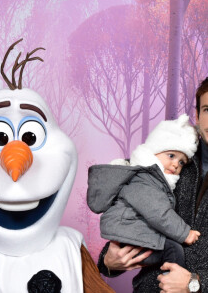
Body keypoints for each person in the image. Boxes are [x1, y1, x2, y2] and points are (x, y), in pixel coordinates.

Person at [95, 78, 208, 293]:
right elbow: (129, 206)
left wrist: (195, 283)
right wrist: (108, 260)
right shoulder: (172, 156)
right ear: (197, 115)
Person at [88, 114, 199, 270]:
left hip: (131, 233)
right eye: (171, 156)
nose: (175, 165)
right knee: (173, 250)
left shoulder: (150, 179)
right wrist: (185, 233)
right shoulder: (144, 179)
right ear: (153, 152)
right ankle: (172, 285)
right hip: (130, 235)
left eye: (181, 162)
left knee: (170, 250)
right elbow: (158, 213)